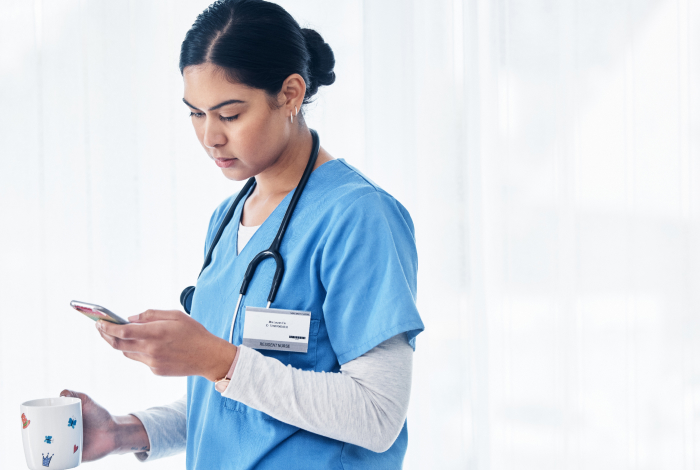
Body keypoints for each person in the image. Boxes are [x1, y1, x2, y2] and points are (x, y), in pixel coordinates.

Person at [60, 0, 424, 468]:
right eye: (195, 113)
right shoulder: (227, 219)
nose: (210, 136)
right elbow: (239, 404)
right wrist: (124, 432)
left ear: (291, 94)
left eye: (229, 114)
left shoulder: (359, 216)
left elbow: (378, 415)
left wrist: (216, 359)